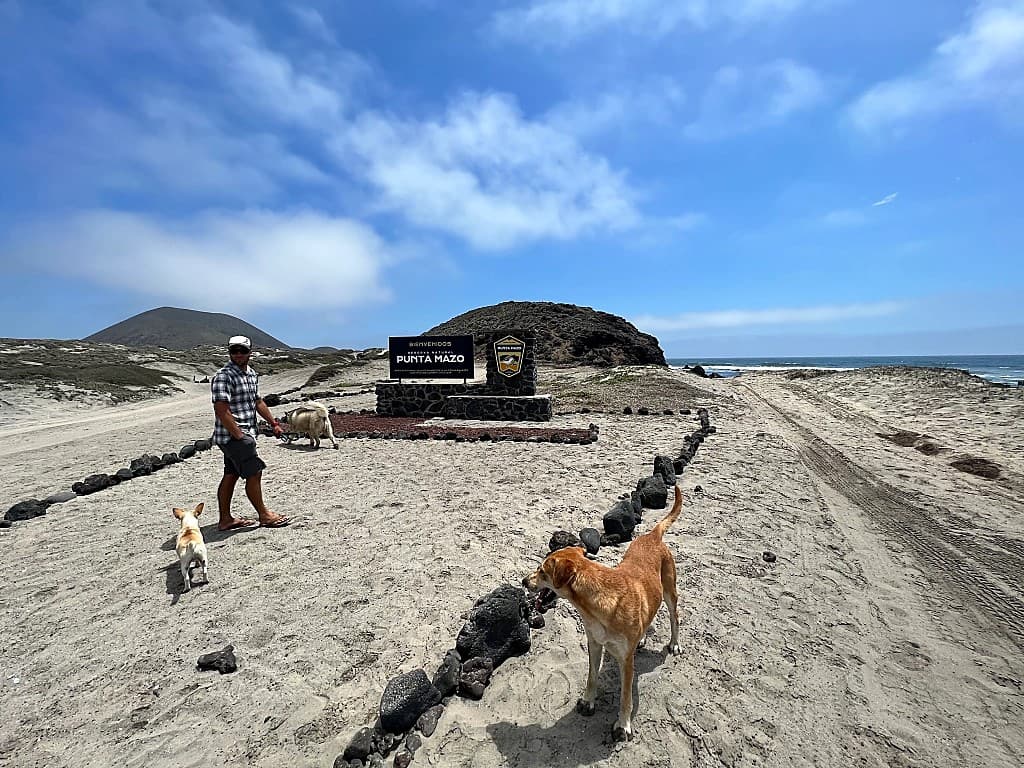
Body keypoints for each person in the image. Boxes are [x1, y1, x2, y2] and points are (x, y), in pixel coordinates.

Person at [210, 335, 291, 530]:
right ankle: (264, 515)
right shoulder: (224, 376)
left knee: (231, 474)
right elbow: (221, 409)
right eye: (234, 350)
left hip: (244, 433)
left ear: (250, 353)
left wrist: (273, 423)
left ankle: (225, 519)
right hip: (232, 436)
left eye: (242, 350)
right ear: (229, 352)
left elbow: (257, 402)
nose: (238, 354)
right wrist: (239, 435)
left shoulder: (251, 375)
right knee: (254, 472)